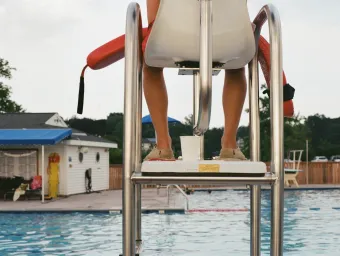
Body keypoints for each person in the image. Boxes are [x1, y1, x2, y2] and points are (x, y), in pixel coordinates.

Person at [143, 0, 248, 161]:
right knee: (236, 63)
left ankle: (163, 145)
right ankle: (230, 144)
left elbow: (153, 20)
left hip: (172, 38)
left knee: (151, 65)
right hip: (226, 38)